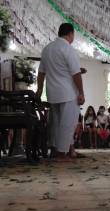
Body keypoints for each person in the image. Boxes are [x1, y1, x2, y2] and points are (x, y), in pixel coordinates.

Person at [36, 23, 85, 161]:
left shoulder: (47, 49)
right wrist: (81, 92)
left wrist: (39, 90)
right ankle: (62, 154)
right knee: (67, 123)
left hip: (52, 92)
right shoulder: (68, 49)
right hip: (68, 93)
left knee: (55, 123)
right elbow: (76, 74)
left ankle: (56, 150)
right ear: (71, 34)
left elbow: (41, 73)